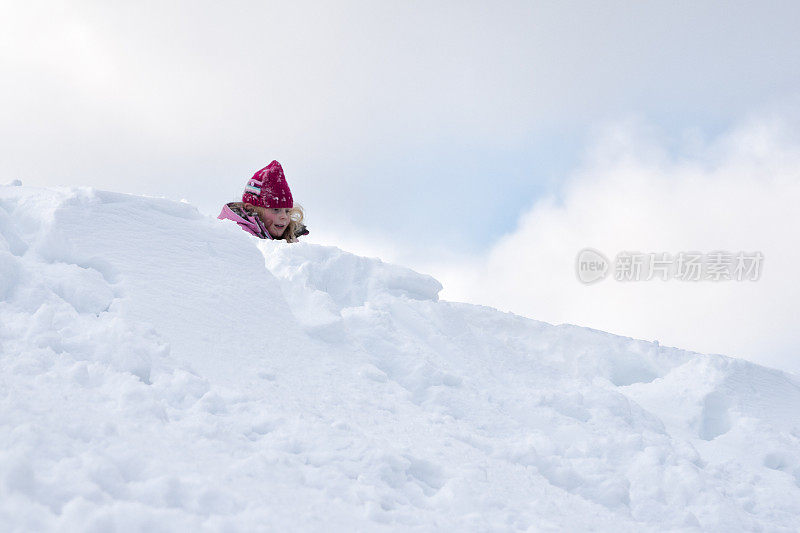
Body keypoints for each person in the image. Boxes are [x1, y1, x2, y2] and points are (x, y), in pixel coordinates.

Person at [218, 160, 308, 242]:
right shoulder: (234, 236)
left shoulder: (285, 238)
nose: (284, 216)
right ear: (251, 209)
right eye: (276, 210)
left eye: (287, 211)